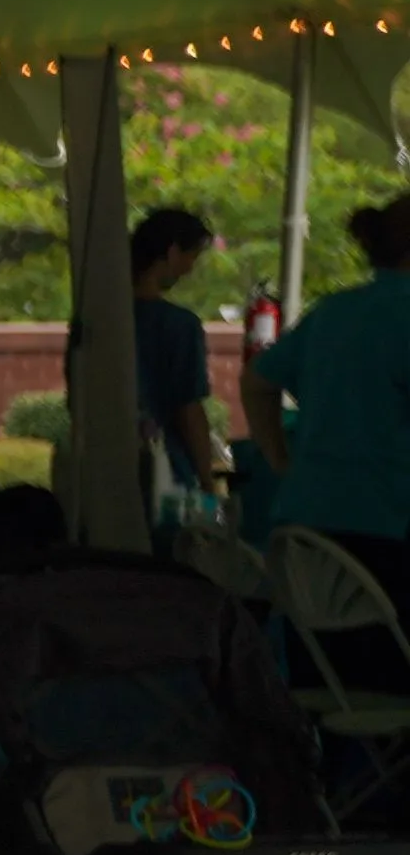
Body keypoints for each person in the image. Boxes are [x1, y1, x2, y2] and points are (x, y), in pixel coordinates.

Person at [245, 193, 410, 613]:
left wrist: (282, 462)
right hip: (390, 542)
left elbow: (257, 381)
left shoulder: (334, 312)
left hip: (307, 544)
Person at [131, 205, 226, 510]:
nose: (190, 268)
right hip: (167, 475)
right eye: (191, 257)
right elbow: (189, 410)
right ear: (172, 252)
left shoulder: (101, 319)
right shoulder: (178, 325)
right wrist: (207, 481)